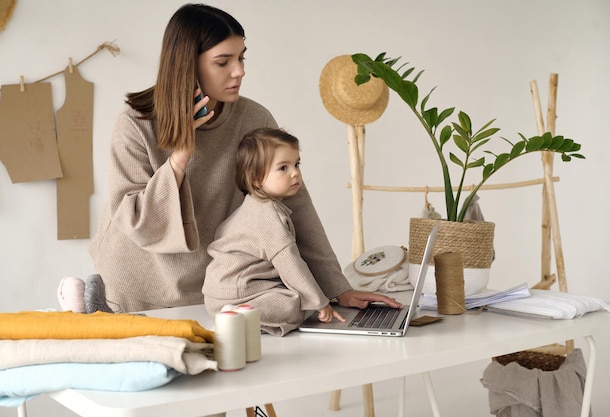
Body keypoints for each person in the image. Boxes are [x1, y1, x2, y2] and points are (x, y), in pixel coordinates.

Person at [89, 3, 402, 315]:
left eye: (241, 57)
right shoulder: (135, 123)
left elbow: (295, 205)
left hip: (214, 287)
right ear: (187, 66)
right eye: (223, 62)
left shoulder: (254, 118)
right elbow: (133, 219)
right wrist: (180, 156)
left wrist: (338, 287)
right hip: (136, 286)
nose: (239, 70)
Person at [203, 128, 354, 336]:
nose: (295, 173)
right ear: (255, 178)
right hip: (239, 290)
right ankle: (237, 317)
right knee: (297, 303)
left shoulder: (256, 206)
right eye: (283, 168)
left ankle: (237, 316)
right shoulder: (267, 215)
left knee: (295, 294)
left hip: (224, 291)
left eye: (296, 164)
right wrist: (320, 302)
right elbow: (290, 263)